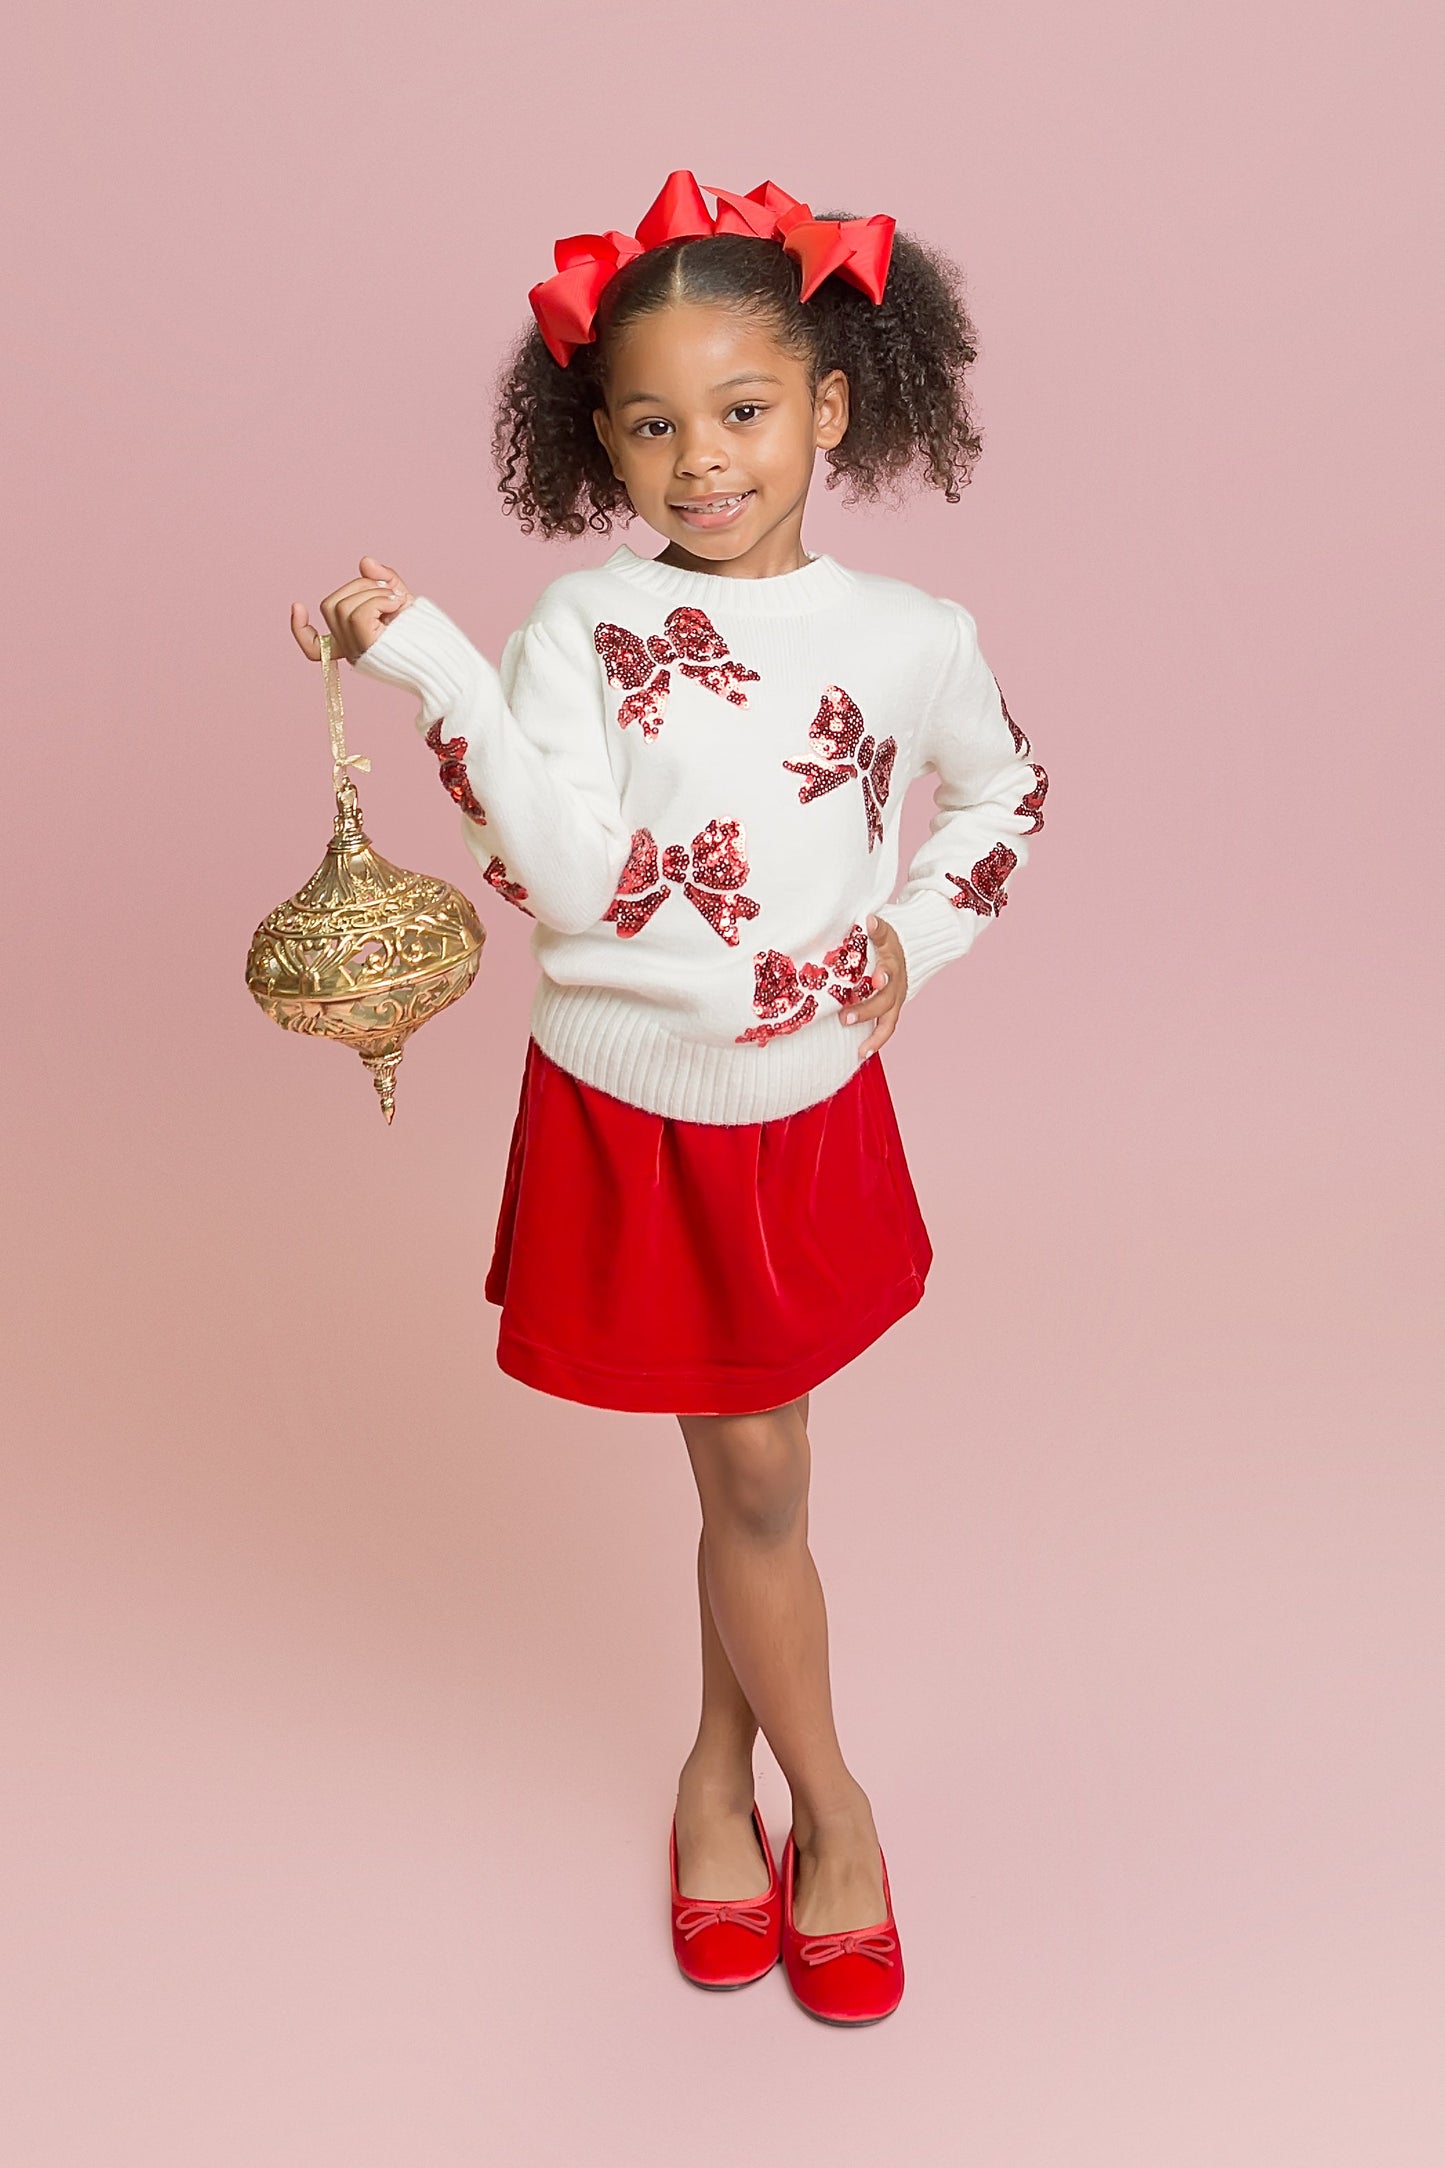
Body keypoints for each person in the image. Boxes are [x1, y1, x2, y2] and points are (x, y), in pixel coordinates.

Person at [290, 169, 1048, 2026]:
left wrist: (909, 945)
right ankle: (834, 1810)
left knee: (746, 1470)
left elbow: (1003, 792)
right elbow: (562, 876)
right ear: (595, 438)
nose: (699, 460)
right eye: (650, 423)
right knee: (758, 1468)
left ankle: (731, 1777)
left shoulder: (910, 631)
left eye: (743, 411)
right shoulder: (578, 629)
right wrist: (434, 664)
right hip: (632, 1112)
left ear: (833, 405)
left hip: (798, 1102)